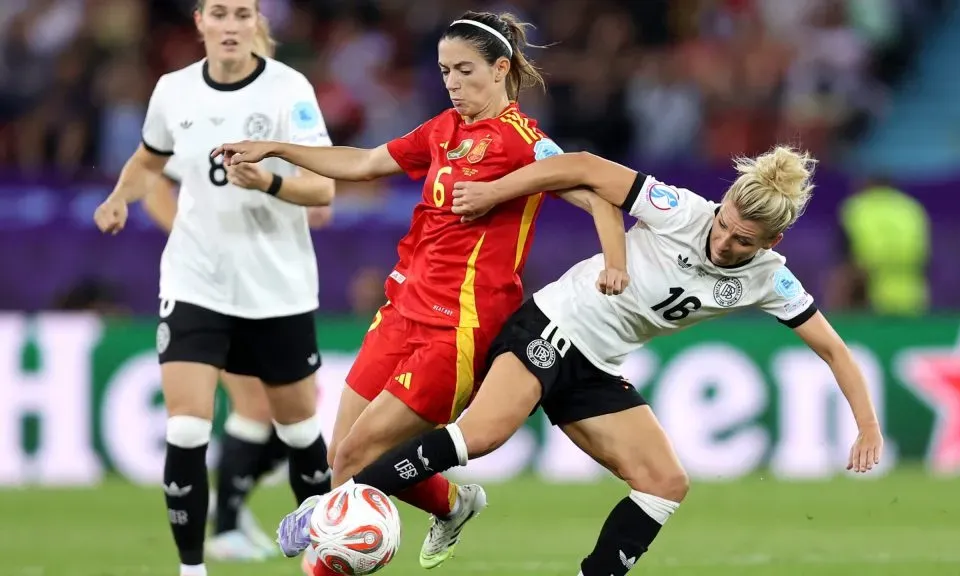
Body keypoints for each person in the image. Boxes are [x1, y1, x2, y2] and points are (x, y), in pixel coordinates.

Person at [287, 146, 886, 576]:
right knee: (486, 434)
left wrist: (867, 425)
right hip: (549, 324)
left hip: (597, 365)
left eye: (742, 241)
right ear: (723, 203)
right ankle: (326, 511)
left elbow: (834, 349)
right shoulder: (680, 209)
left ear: (771, 244)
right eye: (726, 223)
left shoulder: (768, 280)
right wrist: (497, 190)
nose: (724, 240)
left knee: (664, 482)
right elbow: (582, 167)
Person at [214, 10, 629, 572]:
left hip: (457, 328)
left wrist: (615, 261)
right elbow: (363, 163)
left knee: (357, 462)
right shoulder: (443, 129)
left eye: (464, 70)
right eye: (444, 71)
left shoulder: (522, 142)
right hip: (401, 309)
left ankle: (325, 532)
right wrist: (279, 148)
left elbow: (597, 192)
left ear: (501, 68)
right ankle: (454, 504)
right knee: (343, 459)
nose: (453, 83)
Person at [92, 1, 337, 575]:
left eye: (242, 14)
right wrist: (118, 197)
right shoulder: (173, 90)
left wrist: (270, 180)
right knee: (185, 426)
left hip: (277, 286)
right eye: (220, 13)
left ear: (256, 23)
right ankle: (193, 568)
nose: (230, 25)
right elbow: (149, 162)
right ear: (200, 21)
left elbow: (323, 189)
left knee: (301, 432)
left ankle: (328, 557)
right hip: (196, 281)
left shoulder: (287, 89)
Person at [142, 158, 334, 561]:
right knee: (253, 406)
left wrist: (304, 200)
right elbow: (151, 182)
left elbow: (314, 185)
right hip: (213, 292)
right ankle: (226, 522)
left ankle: (231, 507)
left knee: (291, 412)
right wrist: (191, 239)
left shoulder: (288, 114)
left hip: (271, 287)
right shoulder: (200, 110)